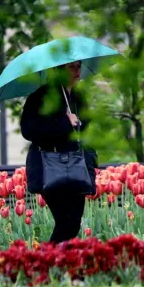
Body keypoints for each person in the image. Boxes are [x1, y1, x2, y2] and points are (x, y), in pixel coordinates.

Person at [20, 60, 98, 243]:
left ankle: (56, 263)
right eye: (71, 67)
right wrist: (63, 122)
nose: (76, 70)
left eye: (79, 66)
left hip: (77, 167)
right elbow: (28, 130)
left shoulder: (78, 97)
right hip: (51, 167)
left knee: (74, 224)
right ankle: (47, 262)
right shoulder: (41, 96)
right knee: (65, 223)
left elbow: (86, 131)